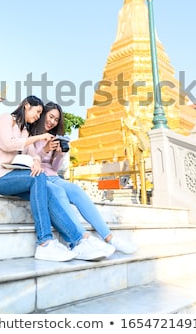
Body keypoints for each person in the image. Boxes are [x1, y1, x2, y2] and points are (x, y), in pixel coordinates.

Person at [0, 95, 107, 262]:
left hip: (8, 177)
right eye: (38, 112)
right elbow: (8, 144)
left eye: (40, 113)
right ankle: (45, 242)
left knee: (50, 188)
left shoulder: (25, 131)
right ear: (26, 106)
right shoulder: (6, 120)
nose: (38, 116)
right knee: (38, 178)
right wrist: (39, 137)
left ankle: (78, 241)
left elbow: (33, 155)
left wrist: (37, 161)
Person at [33, 102, 138, 255]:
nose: (52, 122)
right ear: (42, 114)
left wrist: (60, 154)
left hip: (53, 176)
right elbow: (30, 159)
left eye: (56, 120)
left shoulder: (53, 137)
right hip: (39, 179)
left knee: (76, 191)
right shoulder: (31, 134)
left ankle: (109, 237)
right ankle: (84, 238)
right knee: (59, 194)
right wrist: (44, 150)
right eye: (50, 117)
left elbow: (54, 168)